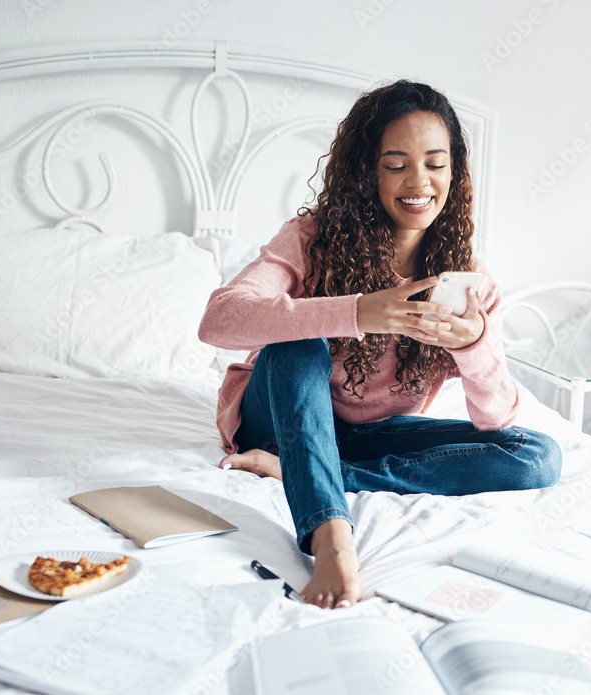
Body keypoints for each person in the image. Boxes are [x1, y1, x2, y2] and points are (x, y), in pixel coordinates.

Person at [198, 80, 561, 609]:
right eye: (396, 164)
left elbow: (496, 420)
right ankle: (331, 540)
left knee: (537, 456)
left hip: (366, 437)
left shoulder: (471, 281)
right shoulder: (311, 239)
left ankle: (312, 470)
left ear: (454, 172)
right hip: (276, 418)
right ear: (367, 170)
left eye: (435, 163)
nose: (419, 181)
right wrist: (357, 311)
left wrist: (473, 343)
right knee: (296, 346)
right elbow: (219, 321)